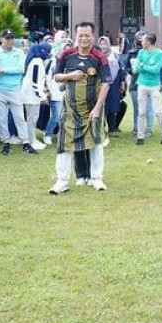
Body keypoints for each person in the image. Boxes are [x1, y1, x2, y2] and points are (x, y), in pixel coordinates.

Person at [49, 22, 110, 194]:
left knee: (96, 142)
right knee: (64, 144)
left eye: (87, 35)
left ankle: (96, 178)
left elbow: (106, 84)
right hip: (70, 109)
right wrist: (71, 75)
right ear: (76, 36)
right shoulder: (66, 55)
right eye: (80, 35)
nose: (84, 38)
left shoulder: (99, 57)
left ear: (93, 36)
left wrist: (97, 108)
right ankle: (62, 181)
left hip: (92, 109)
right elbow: (57, 77)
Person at [0, 30, 37, 156]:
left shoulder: (19, 52)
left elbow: (20, 69)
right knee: (1, 118)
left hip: (14, 88)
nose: (10, 40)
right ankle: (6, 142)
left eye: (11, 38)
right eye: (7, 38)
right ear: (1, 39)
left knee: (20, 117)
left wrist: (4, 70)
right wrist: (4, 71)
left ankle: (25, 142)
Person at [134, 32, 162, 145]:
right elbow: (136, 69)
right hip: (142, 84)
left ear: (149, 42)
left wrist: (143, 66)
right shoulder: (141, 52)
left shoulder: (159, 53)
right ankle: (140, 136)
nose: (141, 42)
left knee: (158, 111)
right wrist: (142, 67)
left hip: (155, 85)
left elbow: (156, 70)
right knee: (141, 112)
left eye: (143, 40)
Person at [21, 42, 51, 150]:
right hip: (31, 95)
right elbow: (35, 81)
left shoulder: (36, 61)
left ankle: (31, 138)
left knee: (32, 118)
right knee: (32, 119)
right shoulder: (37, 62)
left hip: (32, 94)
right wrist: (42, 96)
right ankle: (31, 141)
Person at [98, 36, 126, 136]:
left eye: (105, 43)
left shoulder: (114, 55)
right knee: (101, 105)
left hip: (114, 84)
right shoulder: (96, 55)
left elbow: (120, 70)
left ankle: (112, 129)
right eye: (101, 43)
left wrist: (122, 82)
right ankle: (101, 129)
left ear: (108, 44)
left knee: (113, 106)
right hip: (101, 84)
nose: (103, 46)